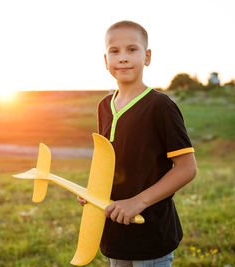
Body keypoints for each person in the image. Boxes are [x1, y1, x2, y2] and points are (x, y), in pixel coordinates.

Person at [77, 20, 197, 267]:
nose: (123, 58)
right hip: (115, 232)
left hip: (150, 233)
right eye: (115, 51)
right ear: (105, 60)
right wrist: (95, 192)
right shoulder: (104, 107)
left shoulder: (160, 107)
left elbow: (187, 168)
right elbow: (110, 161)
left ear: (147, 57)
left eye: (132, 50)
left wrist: (137, 202)